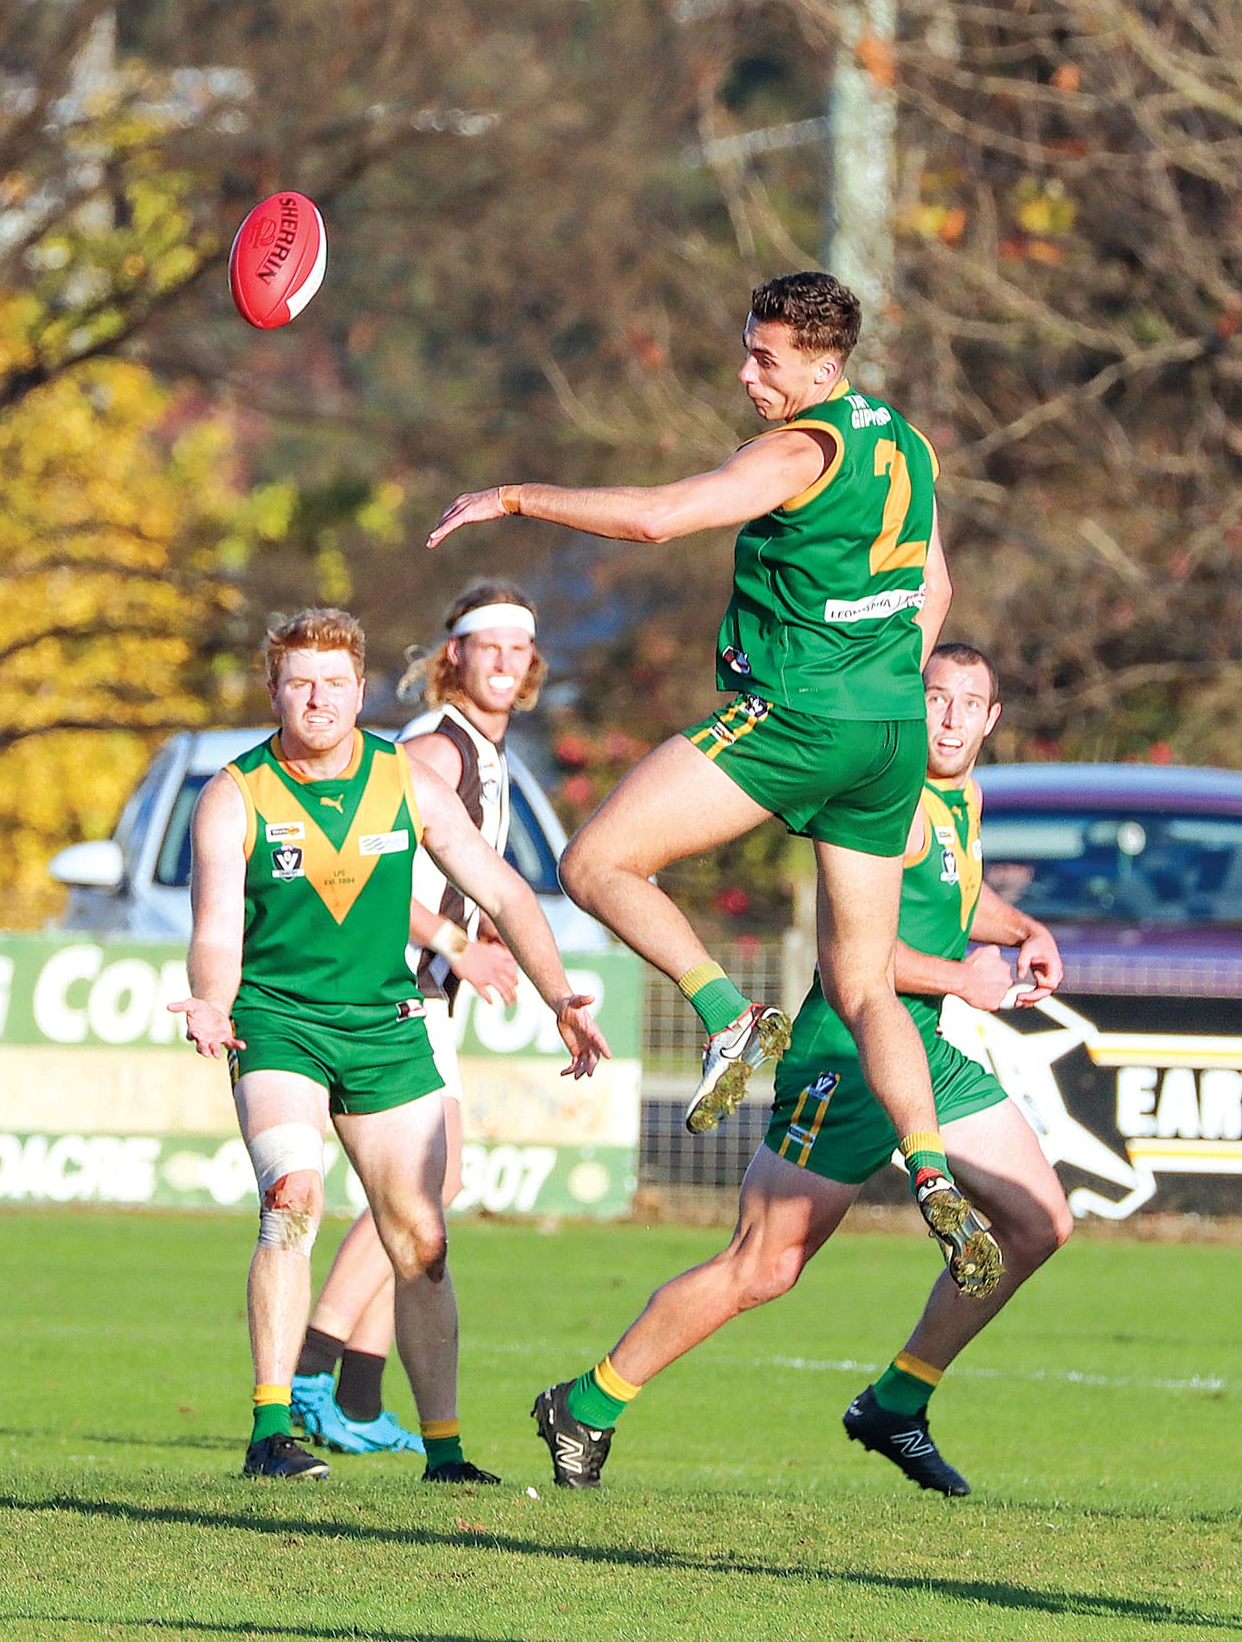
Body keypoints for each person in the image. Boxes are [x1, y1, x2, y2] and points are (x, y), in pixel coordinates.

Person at [428, 271, 1002, 1298]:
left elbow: (658, 517)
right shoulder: (906, 445)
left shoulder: (800, 446)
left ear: (820, 366)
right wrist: (884, 691)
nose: (745, 374)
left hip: (798, 716)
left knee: (594, 862)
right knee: (866, 985)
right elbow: (937, 588)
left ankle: (729, 1016)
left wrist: (512, 496)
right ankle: (928, 1168)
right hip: (887, 733)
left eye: (764, 357)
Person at [531, 644, 1071, 1493]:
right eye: (937, 697)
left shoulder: (961, 797)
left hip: (921, 1044)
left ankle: (896, 1402)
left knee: (1040, 1223)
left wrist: (1020, 928)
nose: (953, 716)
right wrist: (965, 976)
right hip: (848, 1048)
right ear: (911, 701)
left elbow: (956, 891)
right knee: (764, 1266)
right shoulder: (889, 800)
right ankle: (587, 1404)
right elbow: (855, 958)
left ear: (994, 719)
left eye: (972, 702)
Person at [168, 607, 608, 1483]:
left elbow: (510, 895)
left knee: (423, 1240)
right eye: (300, 683)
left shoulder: (404, 780)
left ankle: (444, 1452)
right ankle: (270, 1431)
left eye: (334, 683)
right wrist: (212, 1002)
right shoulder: (234, 792)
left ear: (361, 690)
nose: (318, 700)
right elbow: (216, 927)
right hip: (280, 1023)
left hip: (386, 1027)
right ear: (274, 691)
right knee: (292, 1194)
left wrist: (560, 995)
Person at [291, 582, 540, 1456]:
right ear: (453, 656)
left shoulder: (482, 747)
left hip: (427, 991)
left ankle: (354, 1395)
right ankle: (312, 1372)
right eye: (489, 646)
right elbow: (363, 868)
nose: (505, 662)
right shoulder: (435, 748)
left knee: (433, 1190)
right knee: (422, 1193)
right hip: (393, 986)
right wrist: (453, 941)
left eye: (519, 647)